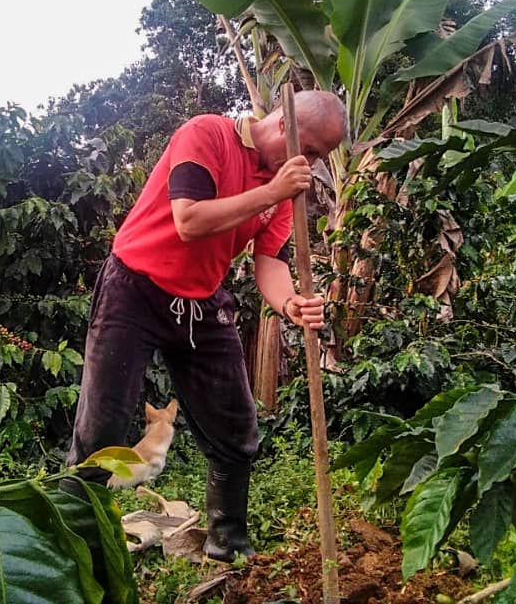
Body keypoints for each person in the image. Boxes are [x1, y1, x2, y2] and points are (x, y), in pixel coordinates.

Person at [65, 89, 347, 562]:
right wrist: (274, 191)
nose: (314, 163)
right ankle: (74, 547)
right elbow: (189, 220)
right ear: (285, 126)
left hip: (202, 300)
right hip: (134, 288)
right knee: (101, 433)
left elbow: (269, 262)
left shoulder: (280, 189)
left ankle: (227, 544)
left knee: (236, 429)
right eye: (312, 150)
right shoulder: (207, 134)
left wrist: (289, 304)